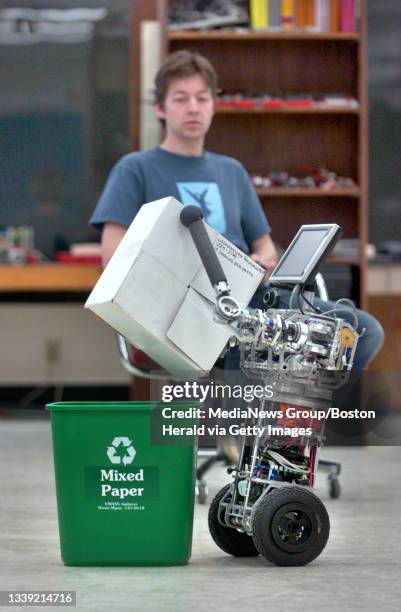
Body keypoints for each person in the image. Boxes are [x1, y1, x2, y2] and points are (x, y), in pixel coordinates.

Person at [90, 50, 384, 370]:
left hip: (251, 301)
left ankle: (311, 418)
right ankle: (240, 417)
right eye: (181, 98)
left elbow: (265, 249)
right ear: (160, 107)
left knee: (359, 331)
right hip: (182, 309)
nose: (193, 107)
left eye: (202, 98)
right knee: (245, 345)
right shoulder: (135, 169)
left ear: (214, 105)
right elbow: (113, 257)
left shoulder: (231, 171)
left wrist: (261, 264)